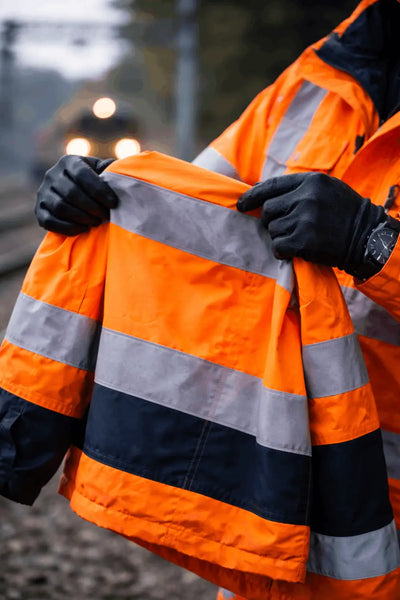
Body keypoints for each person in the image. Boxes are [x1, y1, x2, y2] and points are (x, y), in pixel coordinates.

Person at [31, 0, 400, 597]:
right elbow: (189, 225)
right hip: (277, 473)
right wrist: (105, 196)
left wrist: (375, 242)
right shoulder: (311, 85)